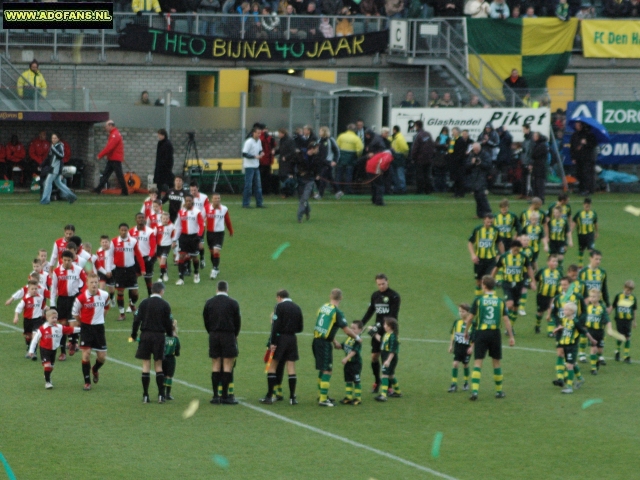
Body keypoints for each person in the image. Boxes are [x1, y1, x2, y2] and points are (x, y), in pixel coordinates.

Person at [464, 275, 514, 401]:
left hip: (481, 333)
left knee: (478, 362)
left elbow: (470, 318)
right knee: (496, 362)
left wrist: (466, 331)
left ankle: (475, 392)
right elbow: (506, 320)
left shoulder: (478, 300)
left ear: (484, 286)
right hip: (495, 334)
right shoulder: (500, 301)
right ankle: (498, 392)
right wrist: (511, 336)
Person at [313, 288, 362, 407]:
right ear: (341, 298)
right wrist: (357, 338)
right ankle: (323, 400)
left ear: (330, 296)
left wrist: (333, 340)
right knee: (327, 370)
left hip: (316, 341)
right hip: (324, 344)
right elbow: (346, 330)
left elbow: (324, 325)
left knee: (322, 369)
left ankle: (321, 395)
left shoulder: (323, 307)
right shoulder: (337, 312)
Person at [131, 281, 175, 403]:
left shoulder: (144, 303)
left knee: (146, 366)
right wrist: (170, 335)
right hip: (159, 337)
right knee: (158, 365)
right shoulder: (165, 304)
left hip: (145, 336)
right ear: (161, 291)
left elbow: (136, 320)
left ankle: (145, 395)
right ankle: (161, 395)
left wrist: (134, 335)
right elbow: (169, 323)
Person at [260, 289, 303, 405]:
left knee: (272, 366)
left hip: (280, 339)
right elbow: (300, 328)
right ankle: (292, 398)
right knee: (291, 367)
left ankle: (269, 396)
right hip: (292, 339)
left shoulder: (279, 307)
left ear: (279, 297)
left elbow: (275, 326)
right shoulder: (297, 307)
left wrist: (272, 343)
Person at [360, 273, 401, 393]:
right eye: (379, 284)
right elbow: (370, 311)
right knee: (374, 356)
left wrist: (378, 326)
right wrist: (361, 324)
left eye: (383, 284)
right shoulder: (375, 295)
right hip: (378, 328)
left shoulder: (394, 296)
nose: (381, 286)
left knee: (386, 357)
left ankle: (388, 386)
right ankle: (377, 381)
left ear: (387, 282)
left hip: (389, 330)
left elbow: (393, 315)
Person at [203, 281, 241, 405]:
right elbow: (237, 322)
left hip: (214, 335)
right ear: (227, 289)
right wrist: (235, 335)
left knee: (215, 364)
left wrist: (211, 332)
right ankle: (225, 396)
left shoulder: (209, 302)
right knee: (227, 365)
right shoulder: (233, 303)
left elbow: (206, 320)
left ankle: (215, 396)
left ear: (217, 289)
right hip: (228, 335)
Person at [71, 273, 110, 391]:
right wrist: (83, 322)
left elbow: (107, 306)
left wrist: (103, 316)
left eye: (96, 282)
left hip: (99, 329)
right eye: (91, 282)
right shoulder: (81, 298)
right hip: (86, 328)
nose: (94, 284)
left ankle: (95, 369)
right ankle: (87, 382)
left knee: (102, 357)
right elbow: (75, 313)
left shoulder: (104, 295)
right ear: (87, 284)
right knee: (86, 354)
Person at [491, 240, 535, 335]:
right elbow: (496, 268)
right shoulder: (504, 257)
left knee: (515, 308)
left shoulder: (523, 257)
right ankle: (497, 317)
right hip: (507, 283)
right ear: (511, 248)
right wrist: (491, 279)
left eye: (518, 250)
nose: (517, 252)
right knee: (509, 304)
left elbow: (529, 268)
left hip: (519, 284)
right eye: (515, 250)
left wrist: (533, 281)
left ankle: (509, 328)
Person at [50, 250, 87, 360]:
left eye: (69, 260)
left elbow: (86, 282)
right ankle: (62, 352)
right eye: (64, 260)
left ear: (73, 260)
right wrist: (52, 304)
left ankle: (73, 342)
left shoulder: (78, 270)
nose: (66, 262)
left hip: (74, 299)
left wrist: (81, 294)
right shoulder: (57, 272)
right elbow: (53, 289)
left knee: (73, 324)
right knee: (63, 326)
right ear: (61, 260)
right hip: (61, 300)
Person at [28, 310, 80, 389]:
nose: (55, 319)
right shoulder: (42, 329)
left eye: (56, 318)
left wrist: (83, 329)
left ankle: (47, 375)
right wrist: (31, 351)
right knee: (47, 366)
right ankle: (48, 382)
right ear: (47, 318)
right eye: (53, 318)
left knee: (51, 367)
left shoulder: (59, 327)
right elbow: (35, 340)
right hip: (44, 350)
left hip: (53, 349)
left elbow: (70, 329)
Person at [105, 222, 146, 321]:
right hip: (119, 270)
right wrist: (108, 269)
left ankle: (131, 304)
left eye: (125, 230)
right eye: (122, 230)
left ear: (128, 231)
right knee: (120, 291)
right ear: (119, 231)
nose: (123, 232)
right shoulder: (114, 242)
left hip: (131, 269)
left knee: (135, 292)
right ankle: (122, 313)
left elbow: (139, 255)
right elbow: (109, 256)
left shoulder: (133, 241)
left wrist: (143, 269)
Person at [552, 302, 594, 394]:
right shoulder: (566, 319)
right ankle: (580, 379)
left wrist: (592, 340)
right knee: (573, 363)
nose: (564, 311)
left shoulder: (576, 322)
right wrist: (558, 329)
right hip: (565, 345)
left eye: (566, 309)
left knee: (569, 366)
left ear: (571, 311)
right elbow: (564, 326)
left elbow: (584, 331)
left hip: (572, 347)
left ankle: (569, 387)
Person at [174, 193, 205, 285]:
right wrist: (174, 239)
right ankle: (181, 278)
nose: (188, 202)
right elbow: (179, 227)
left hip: (194, 237)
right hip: (183, 237)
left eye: (189, 201)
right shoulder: (181, 212)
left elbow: (201, 226)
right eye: (186, 201)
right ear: (184, 201)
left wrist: (199, 238)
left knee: (194, 257)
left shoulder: (197, 212)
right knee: (181, 256)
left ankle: (196, 273)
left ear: (192, 201)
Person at [40, 133, 78, 205]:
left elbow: (61, 156)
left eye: (55, 138)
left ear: (58, 139)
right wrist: (41, 165)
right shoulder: (52, 147)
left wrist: (54, 149)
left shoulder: (60, 146)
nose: (53, 139)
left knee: (47, 183)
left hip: (55, 169)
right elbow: (48, 157)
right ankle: (72, 196)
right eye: (52, 138)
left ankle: (45, 200)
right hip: (52, 168)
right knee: (59, 184)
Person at [333, 320, 364, 405]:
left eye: (354, 328)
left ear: (360, 330)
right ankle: (348, 397)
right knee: (348, 380)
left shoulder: (358, 340)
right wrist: (335, 342)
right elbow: (342, 346)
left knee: (356, 380)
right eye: (351, 328)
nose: (351, 330)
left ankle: (358, 398)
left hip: (355, 364)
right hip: (348, 364)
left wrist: (346, 358)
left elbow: (354, 351)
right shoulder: (349, 338)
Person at [204, 193, 234, 279]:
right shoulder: (207, 208)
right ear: (212, 199)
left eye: (218, 198)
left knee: (216, 251)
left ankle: (214, 269)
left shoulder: (224, 209)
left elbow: (227, 220)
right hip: (209, 233)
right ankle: (215, 267)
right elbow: (201, 218)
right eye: (215, 198)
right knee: (212, 252)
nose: (217, 200)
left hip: (219, 233)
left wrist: (230, 230)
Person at [12, 280, 46, 359]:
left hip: (37, 320)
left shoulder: (40, 298)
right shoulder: (25, 299)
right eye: (32, 289)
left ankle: (33, 352)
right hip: (27, 320)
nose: (34, 290)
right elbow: (18, 308)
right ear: (28, 290)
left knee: (35, 336)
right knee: (28, 336)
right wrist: (16, 316)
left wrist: (50, 311)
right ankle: (28, 348)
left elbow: (43, 306)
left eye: (35, 289)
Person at [94, 120, 128, 196]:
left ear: (110, 126)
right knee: (106, 174)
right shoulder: (114, 134)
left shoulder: (114, 135)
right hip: (113, 158)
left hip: (115, 158)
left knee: (118, 175)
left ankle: (125, 191)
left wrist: (100, 155)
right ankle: (98, 189)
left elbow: (109, 147)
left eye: (106, 126)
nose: (105, 127)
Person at [468, 213, 499, 297]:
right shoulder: (477, 230)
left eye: (491, 222)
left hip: (491, 259)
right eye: (488, 221)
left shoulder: (496, 230)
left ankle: (491, 299)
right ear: (484, 220)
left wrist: (500, 255)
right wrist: (473, 255)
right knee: (478, 282)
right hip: (479, 260)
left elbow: (499, 243)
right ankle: (478, 300)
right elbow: (470, 242)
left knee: (489, 280)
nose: (489, 223)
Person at [292, 141, 323, 223]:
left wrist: (318, 174)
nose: (318, 150)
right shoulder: (300, 155)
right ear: (312, 149)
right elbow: (292, 163)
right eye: (317, 148)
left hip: (310, 180)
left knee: (304, 198)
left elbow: (318, 167)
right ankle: (307, 210)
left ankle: (299, 216)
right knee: (302, 198)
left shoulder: (316, 157)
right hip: (300, 179)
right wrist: (293, 173)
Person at [373, 317, 402, 402]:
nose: (384, 326)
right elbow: (381, 340)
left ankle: (383, 395)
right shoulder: (387, 334)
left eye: (386, 324)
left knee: (384, 375)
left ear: (390, 326)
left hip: (390, 358)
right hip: (385, 357)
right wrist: (373, 333)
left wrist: (388, 361)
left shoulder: (393, 337)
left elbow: (393, 350)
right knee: (391, 375)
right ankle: (398, 392)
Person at [130, 212, 157, 297]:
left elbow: (153, 246)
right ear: (136, 220)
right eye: (139, 218)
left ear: (145, 219)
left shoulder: (150, 232)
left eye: (142, 218)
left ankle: (151, 298)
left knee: (148, 280)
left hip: (146, 258)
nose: (141, 219)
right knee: (133, 280)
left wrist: (150, 256)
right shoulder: (131, 231)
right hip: (134, 259)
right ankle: (131, 302)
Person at [611, 280, 637, 363]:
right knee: (621, 337)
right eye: (627, 289)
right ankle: (617, 351)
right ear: (624, 287)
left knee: (628, 337)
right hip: (619, 319)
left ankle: (626, 356)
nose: (628, 291)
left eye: (630, 290)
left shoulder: (633, 298)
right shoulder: (619, 296)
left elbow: (634, 310)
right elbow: (613, 306)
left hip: (628, 320)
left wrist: (634, 321)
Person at [448, 303, 472, 393]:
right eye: (460, 311)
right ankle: (453, 384)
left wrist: (472, 347)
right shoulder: (457, 322)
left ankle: (466, 383)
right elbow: (453, 334)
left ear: (468, 313)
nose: (461, 313)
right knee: (455, 364)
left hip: (467, 348)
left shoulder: (472, 324)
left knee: (465, 364)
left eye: (463, 311)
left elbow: (475, 337)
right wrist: (451, 345)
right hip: (458, 346)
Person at [535, 254, 562, 336]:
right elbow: (535, 279)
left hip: (553, 296)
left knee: (551, 311)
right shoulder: (542, 271)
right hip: (542, 295)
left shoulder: (559, 273)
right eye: (553, 261)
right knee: (540, 312)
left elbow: (561, 283)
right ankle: (537, 324)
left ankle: (550, 331)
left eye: (556, 261)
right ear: (548, 262)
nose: (555, 263)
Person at [584, 289, 610, 374]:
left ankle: (598, 359)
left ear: (599, 298)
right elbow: (584, 318)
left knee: (600, 350)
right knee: (593, 349)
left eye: (594, 297)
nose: (592, 298)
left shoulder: (602, 308)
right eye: (590, 296)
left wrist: (609, 328)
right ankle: (593, 368)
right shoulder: (588, 307)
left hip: (600, 331)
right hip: (591, 331)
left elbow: (607, 319)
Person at [335, 124, 364, 197]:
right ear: (354, 130)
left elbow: (336, 146)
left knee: (339, 174)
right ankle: (348, 189)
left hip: (341, 157)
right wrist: (358, 155)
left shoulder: (341, 136)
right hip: (351, 158)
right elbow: (360, 148)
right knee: (349, 174)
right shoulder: (356, 138)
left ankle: (337, 189)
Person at [570, 122, 598, 196]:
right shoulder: (575, 135)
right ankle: (581, 189)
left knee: (587, 174)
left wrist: (586, 143)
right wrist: (573, 157)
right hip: (578, 158)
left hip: (587, 158)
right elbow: (572, 147)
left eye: (578, 125)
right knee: (579, 174)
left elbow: (593, 145)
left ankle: (587, 189)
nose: (576, 126)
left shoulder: (589, 135)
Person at [466, 142, 492, 219]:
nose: (475, 151)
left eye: (477, 149)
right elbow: (467, 166)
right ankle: (480, 214)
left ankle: (488, 212)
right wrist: (472, 163)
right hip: (474, 177)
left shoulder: (485, 154)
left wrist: (480, 163)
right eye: (474, 149)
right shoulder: (471, 155)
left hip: (482, 177)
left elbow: (488, 165)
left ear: (479, 148)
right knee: (477, 196)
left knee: (481, 196)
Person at [242, 127, 265, 208]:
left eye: (260, 133)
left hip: (256, 166)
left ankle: (259, 203)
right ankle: (245, 203)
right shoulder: (248, 142)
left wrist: (261, 153)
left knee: (258, 186)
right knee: (248, 185)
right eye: (258, 133)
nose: (259, 135)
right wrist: (254, 157)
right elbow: (244, 154)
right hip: (249, 166)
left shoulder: (259, 141)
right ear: (253, 133)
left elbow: (260, 150)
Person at [188, 182, 210, 269]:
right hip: (190, 224)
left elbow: (207, 209)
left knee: (200, 245)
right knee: (190, 245)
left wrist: (204, 219)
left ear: (198, 188)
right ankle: (188, 266)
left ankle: (202, 258)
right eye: (191, 190)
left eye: (194, 190)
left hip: (200, 224)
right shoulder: (187, 197)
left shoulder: (204, 197)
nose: (193, 192)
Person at [571, 197, 598, 267]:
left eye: (588, 206)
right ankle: (580, 264)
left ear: (590, 205)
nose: (587, 207)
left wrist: (596, 232)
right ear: (583, 205)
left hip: (590, 234)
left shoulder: (593, 214)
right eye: (586, 205)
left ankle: (592, 264)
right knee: (581, 250)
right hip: (581, 234)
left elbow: (595, 223)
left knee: (591, 250)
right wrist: (570, 232)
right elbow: (574, 223)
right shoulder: (579, 213)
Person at [411, 120, 435, 195]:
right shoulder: (428, 134)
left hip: (420, 159)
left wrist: (412, 157)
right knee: (427, 174)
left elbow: (415, 148)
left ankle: (420, 190)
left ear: (416, 126)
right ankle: (428, 190)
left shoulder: (418, 135)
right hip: (428, 158)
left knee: (419, 174)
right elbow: (432, 145)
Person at [316, 126, 340, 199]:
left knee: (323, 178)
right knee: (330, 178)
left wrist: (335, 161)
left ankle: (320, 194)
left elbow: (337, 151)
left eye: (320, 131)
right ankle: (338, 191)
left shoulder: (331, 140)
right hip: (321, 162)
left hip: (328, 162)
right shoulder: (319, 140)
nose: (319, 132)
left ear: (324, 132)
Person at [276, 128, 297, 198]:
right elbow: (280, 149)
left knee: (286, 177)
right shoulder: (282, 140)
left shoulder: (289, 140)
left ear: (283, 133)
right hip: (282, 161)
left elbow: (292, 151)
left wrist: (286, 157)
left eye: (279, 133)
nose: (278, 135)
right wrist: (275, 152)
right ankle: (288, 192)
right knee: (282, 176)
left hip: (288, 162)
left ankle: (287, 193)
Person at [163, 320, 180, 400]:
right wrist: (177, 353)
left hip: (163, 358)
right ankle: (168, 394)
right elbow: (177, 350)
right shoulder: (175, 339)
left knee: (163, 375)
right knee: (169, 376)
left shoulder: (164, 337)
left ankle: (161, 393)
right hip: (171, 359)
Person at [155, 212, 176, 282]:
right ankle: (165, 272)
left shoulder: (172, 226)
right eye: (164, 218)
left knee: (163, 259)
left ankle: (161, 277)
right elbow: (154, 236)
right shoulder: (157, 226)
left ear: (169, 219)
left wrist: (174, 242)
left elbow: (174, 236)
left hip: (167, 245)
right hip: (159, 246)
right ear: (161, 219)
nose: (165, 220)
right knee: (161, 262)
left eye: (167, 218)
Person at [450, 129, 471, 198]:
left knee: (460, 178)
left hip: (460, 163)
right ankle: (456, 192)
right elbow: (451, 150)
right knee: (456, 178)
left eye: (454, 132)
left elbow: (461, 152)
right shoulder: (453, 140)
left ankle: (461, 193)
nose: (452, 133)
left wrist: (456, 159)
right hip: (455, 162)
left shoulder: (460, 140)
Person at [530, 132, 549, 203]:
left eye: (535, 136)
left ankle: (540, 198)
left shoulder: (542, 145)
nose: (533, 138)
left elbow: (534, 155)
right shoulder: (538, 145)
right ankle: (536, 199)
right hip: (537, 166)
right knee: (535, 183)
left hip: (540, 167)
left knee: (539, 183)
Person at [389, 126, 409, 195]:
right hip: (397, 157)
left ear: (395, 130)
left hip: (398, 157)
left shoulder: (399, 138)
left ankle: (402, 188)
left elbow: (405, 148)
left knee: (399, 174)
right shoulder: (396, 137)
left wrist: (402, 154)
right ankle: (398, 188)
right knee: (397, 174)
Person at [154, 129, 174, 193]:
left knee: (169, 182)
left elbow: (169, 156)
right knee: (159, 183)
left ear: (163, 135)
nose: (158, 137)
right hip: (159, 166)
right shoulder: (160, 143)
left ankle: (173, 192)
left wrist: (165, 165)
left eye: (159, 135)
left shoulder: (168, 144)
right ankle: (158, 196)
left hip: (165, 167)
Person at [259, 124, 276, 195]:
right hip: (262, 160)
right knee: (261, 176)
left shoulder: (269, 137)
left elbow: (273, 145)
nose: (266, 130)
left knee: (267, 176)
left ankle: (267, 190)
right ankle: (261, 190)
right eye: (264, 129)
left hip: (268, 160)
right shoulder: (261, 137)